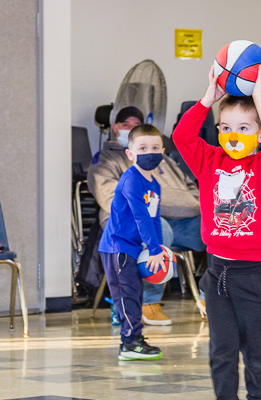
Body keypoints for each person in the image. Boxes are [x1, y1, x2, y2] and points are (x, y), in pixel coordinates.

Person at [173, 65, 261, 400]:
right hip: (217, 272)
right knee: (221, 352)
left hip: (253, 275)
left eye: (243, 127)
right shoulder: (209, 161)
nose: (233, 134)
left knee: (256, 352)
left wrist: (260, 98)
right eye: (225, 127)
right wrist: (207, 98)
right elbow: (182, 137)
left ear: (260, 133)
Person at [88, 106, 204, 326]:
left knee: (217, 226)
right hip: (130, 225)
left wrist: (182, 203)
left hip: (182, 219)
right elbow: (113, 201)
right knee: (159, 229)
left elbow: (192, 190)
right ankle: (148, 302)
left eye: (137, 124)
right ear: (115, 128)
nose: (132, 128)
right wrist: (179, 202)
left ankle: (213, 295)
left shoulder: (165, 160)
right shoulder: (105, 160)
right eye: (126, 125)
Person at [98, 124, 166, 361]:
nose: (150, 152)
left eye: (155, 147)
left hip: (135, 248)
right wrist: (153, 248)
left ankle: (134, 337)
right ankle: (129, 342)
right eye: (143, 147)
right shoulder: (131, 180)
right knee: (126, 294)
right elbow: (140, 216)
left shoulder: (154, 184)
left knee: (135, 293)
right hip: (118, 247)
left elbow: (154, 218)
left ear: (163, 151)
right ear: (130, 153)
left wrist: (160, 248)